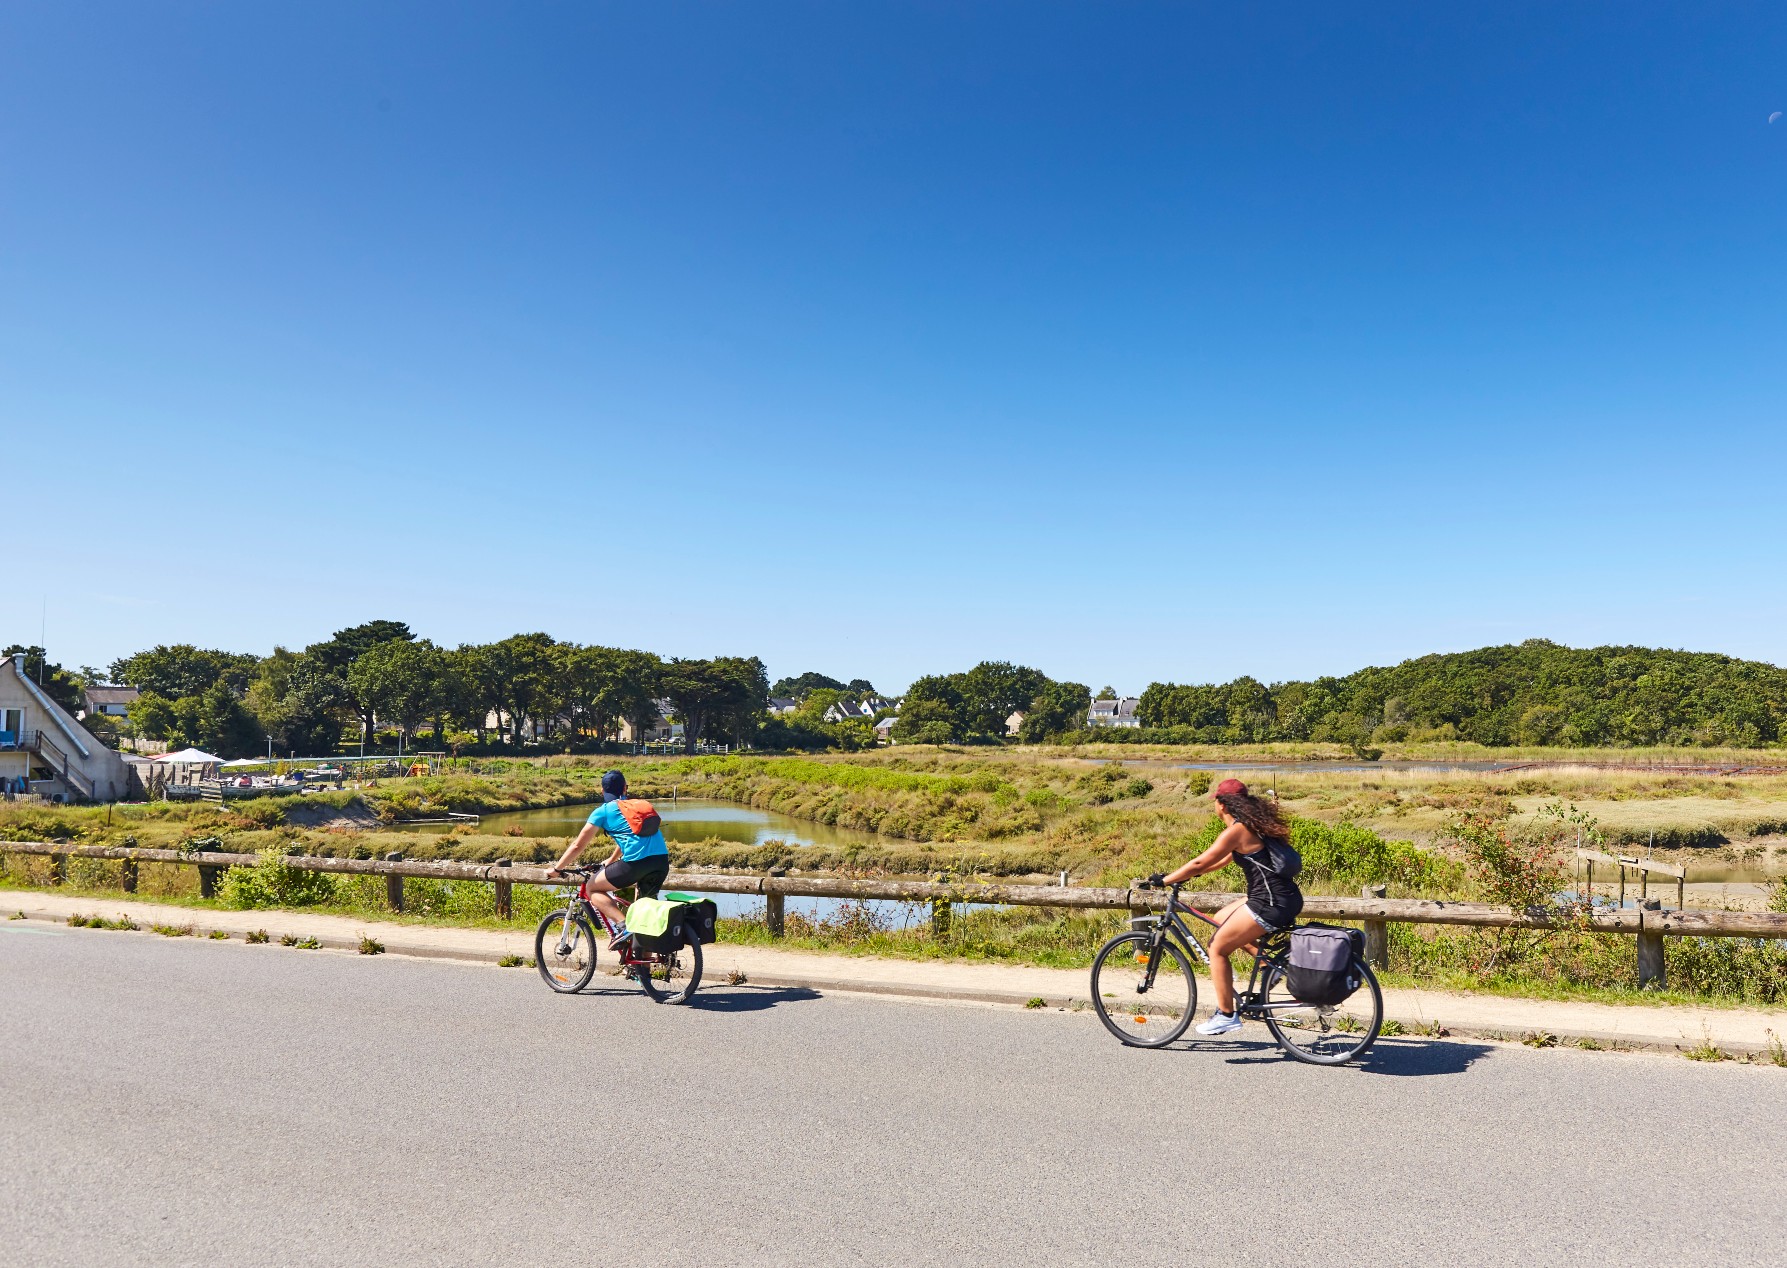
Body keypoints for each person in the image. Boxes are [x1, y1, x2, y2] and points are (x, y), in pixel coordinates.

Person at [1145, 777, 1302, 1037]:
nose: (1215, 807)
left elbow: (1200, 861)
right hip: (1282, 897)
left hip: (1270, 902)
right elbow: (1223, 859)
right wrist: (1190, 875)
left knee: (1216, 947)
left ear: (1222, 804)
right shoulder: (1252, 826)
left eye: (1215, 802)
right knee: (1221, 917)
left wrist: (1165, 880)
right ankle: (1267, 969)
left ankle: (1226, 1015)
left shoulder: (1237, 831)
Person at [549, 769, 670, 949]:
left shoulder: (603, 811)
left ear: (602, 791)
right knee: (643, 913)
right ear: (625, 788)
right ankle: (643, 967)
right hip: (661, 862)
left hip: (635, 863)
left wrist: (557, 869)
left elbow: (577, 845)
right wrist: (611, 859)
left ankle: (624, 926)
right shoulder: (636, 807)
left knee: (591, 888)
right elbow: (629, 839)